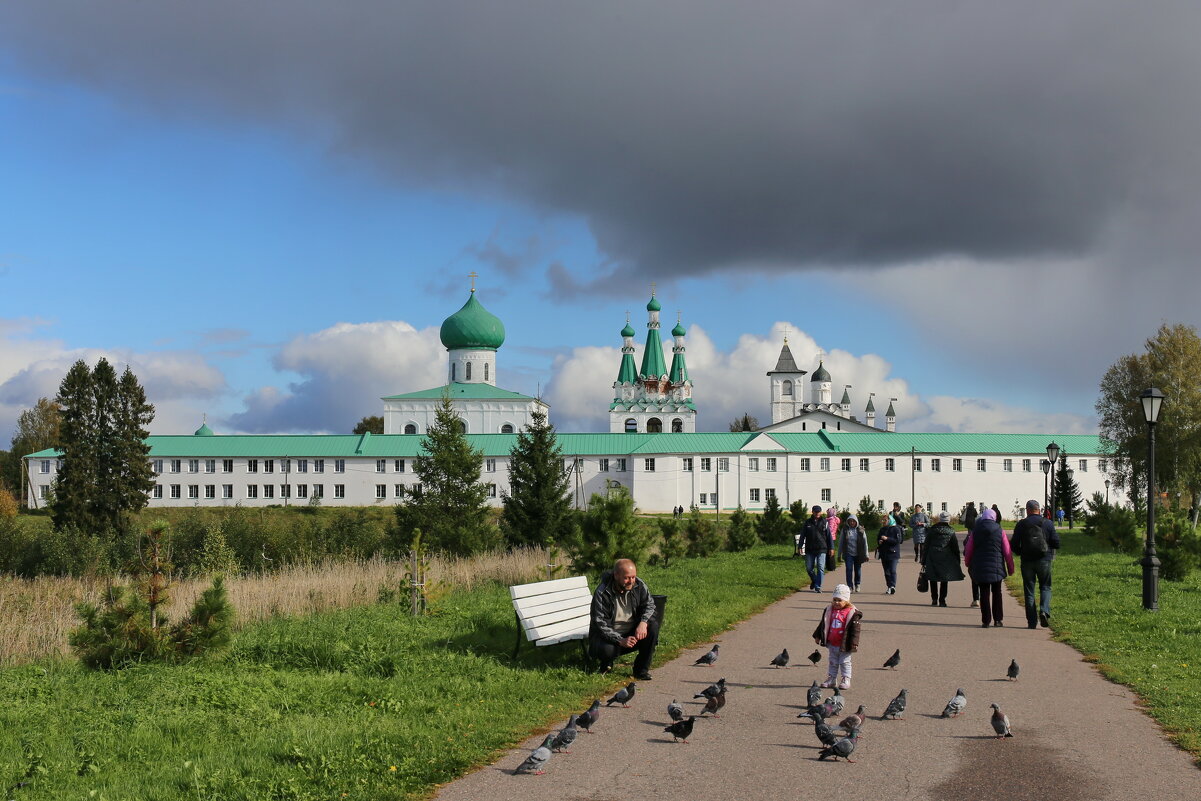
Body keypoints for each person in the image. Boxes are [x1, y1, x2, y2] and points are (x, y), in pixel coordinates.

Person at [588, 558, 658, 680]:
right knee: (607, 650)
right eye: (626, 578)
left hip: (631, 631)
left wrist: (643, 622)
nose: (630, 581)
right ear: (616, 575)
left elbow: (650, 605)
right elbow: (600, 623)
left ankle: (641, 670)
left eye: (633, 577)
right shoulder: (602, 592)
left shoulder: (639, 585)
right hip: (609, 636)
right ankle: (606, 664)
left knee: (652, 626)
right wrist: (620, 640)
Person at [1011, 500, 1060, 629]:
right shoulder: (1047, 523)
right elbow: (1056, 543)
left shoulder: (1021, 524)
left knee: (1029, 591)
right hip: (1044, 559)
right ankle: (1044, 610)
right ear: (1039, 510)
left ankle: (1032, 622)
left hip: (1027, 561)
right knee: (1045, 587)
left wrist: (1021, 552)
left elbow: (1014, 545)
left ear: (1027, 510)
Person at [964, 508, 1014, 628]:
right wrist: (1010, 567)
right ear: (994, 517)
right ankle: (998, 620)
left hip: (980, 567)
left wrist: (967, 562)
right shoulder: (999, 530)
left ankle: (985, 620)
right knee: (997, 593)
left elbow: (969, 549)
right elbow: (1007, 551)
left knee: (984, 593)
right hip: (997, 566)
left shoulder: (975, 531)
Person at [812, 583, 862, 690]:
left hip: (845, 644)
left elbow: (855, 630)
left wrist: (854, 643)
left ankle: (845, 678)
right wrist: (818, 636)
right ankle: (831, 679)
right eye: (835, 599)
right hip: (832, 643)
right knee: (832, 662)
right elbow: (823, 624)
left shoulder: (852, 613)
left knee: (845, 662)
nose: (836, 602)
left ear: (846, 601)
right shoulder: (830, 610)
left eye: (840, 600)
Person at [921, 511, 964, 607]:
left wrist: (923, 560)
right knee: (945, 579)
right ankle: (942, 600)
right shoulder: (951, 531)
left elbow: (926, 545)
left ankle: (934, 599)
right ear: (948, 520)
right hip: (946, 557)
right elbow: (955, 548)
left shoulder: (932, 530)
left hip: (932, 556)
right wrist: (957, 560)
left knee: (933, 578)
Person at [802, 505, 834, 592]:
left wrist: (831, 548)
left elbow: (829, 536)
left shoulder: (824, 522)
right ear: (812, 512)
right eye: (816, 512)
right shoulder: (807, 522)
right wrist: (800, 546)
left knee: (820, 567)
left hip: (822, 548)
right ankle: (814, 580)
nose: (817, 513)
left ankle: (818, 586)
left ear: (820, 512)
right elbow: (802, 535)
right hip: (810, 548)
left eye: (819, 512)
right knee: (809, 568)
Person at [837, 515, 869, 592]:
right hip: (848, 553)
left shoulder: (861, 530)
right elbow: (841, 542)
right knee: (848, 569)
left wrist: (866, 554)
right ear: (848, 522)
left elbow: (865, 543)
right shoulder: (845, 530)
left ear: (856, 522)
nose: (852, 523)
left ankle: (857, 584)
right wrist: (839, 554)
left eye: (853, 521)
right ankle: (849, 586)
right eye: (850, 521)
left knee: (857, 570)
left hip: (858, 553)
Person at [876, 513, 904, 594]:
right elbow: (878, 539)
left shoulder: (895, 529)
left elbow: (898, 541)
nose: (883, 521)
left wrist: (887, 538)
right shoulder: (882, 530)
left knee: (892, 570)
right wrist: (879, 542)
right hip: (884, 553)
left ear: (890, 520)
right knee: (886, 572)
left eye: (885, 520)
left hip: (893, 553)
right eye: (883, 520)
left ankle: (893, 586)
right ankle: (889, 586)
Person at [962, 502, 980, 607]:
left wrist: (967, 561)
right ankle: (981, 599)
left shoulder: (971, 537)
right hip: (986, 562)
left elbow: (967, 549)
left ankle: (976, 599)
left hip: (974, 562)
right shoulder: (996, 532)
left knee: (974, 580)